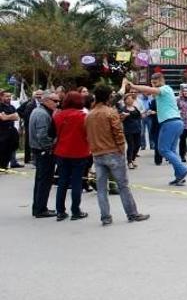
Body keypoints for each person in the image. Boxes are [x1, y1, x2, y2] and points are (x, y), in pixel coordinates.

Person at [86, 84, 149, 226]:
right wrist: (121, 149)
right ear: (109, 96)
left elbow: (90, 134)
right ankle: (132, 213)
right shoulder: (110, 112)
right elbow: (118, 133)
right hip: (112, 152)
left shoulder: (90, 114)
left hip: (97, 153)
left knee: (102, 188)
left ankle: (105, 217)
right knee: (123, 185)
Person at [124, 74, 187, 186]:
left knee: (163, 150)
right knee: (172, 151)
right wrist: (133, 90)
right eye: (152, 83)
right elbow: (147, 92)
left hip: (169, 123)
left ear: (161, 80)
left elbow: (149, 90)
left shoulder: (164, 88)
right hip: (176, 122)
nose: (153, 85)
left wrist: (134, 86)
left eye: (155, 83)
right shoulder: (163, 92)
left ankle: (182, 169)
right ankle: (179, 177)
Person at [52, 91, 90, 221]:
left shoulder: (58, 115)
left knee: (62, 181)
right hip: (79, 151)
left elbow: (53, 133)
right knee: (76, 181)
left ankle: (60, 211)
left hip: (62, 151)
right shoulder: (83, 116)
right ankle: (75, 210)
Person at [29, 90, 60, 218]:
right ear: (46, 100)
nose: (57, 104)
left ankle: (38, 207)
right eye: (55, 101)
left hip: (40, 150)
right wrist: (50, 147)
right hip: (43, 151)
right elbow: (42, 135)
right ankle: (40, 209)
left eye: (58, 101)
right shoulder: (42, 114)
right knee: (44, 181)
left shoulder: (41, 111)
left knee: (41, 180)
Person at [18, 89, 43, 164]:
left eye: (40, 94)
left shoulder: (44, 103)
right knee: (29, 141)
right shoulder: (29, 103)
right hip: (29, 125)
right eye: (37, 94)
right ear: (34, 96)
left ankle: (35, 158)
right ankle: (28, 158)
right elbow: (19, 111)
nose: (38, 96)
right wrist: (25, 118)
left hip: (39, 125)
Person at [118, 93, 142, 169]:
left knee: (138, 145)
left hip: (137, 129)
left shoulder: (135, 108)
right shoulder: (123, 109)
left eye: (131, 98)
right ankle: (129, 162)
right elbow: (120, 119)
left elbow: (139, 117)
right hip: (129, 130)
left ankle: (133, 159)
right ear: (125, 101)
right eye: (128, 99)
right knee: (131, 145)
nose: (130, 100)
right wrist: (124, 116)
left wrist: (146, 114)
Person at [0, 90, 21, 169]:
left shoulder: (11, 107)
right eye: (6, 96)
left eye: (9, 96)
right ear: (1, 97)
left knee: (10, 149)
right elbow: (3, 118)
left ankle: (4, 166)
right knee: (2, 150)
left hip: (11, 131)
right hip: (2, 132)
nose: (9, 98)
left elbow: (17, 117)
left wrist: (7, 116)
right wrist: (11, 116)